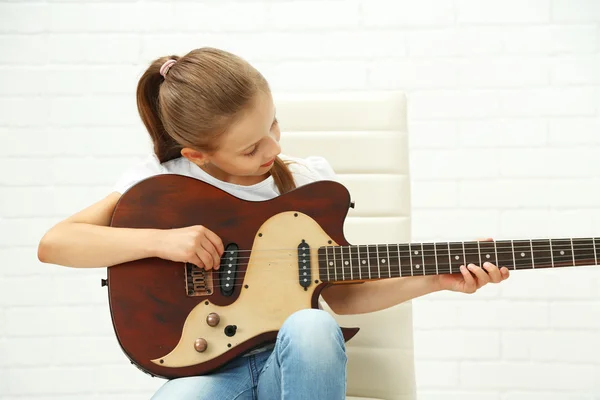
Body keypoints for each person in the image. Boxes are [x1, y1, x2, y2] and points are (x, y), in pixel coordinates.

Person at [37, 47, 510, 400]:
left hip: (294, 362)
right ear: (197, 155)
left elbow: (341, 296)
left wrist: (434, 279)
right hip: (206, 371)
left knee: (311, 325)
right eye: (250, 148)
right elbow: (56, 243)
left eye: (273, 127)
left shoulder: (305, 184)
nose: (273, 150)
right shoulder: (163, 183)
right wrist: (164, 242)